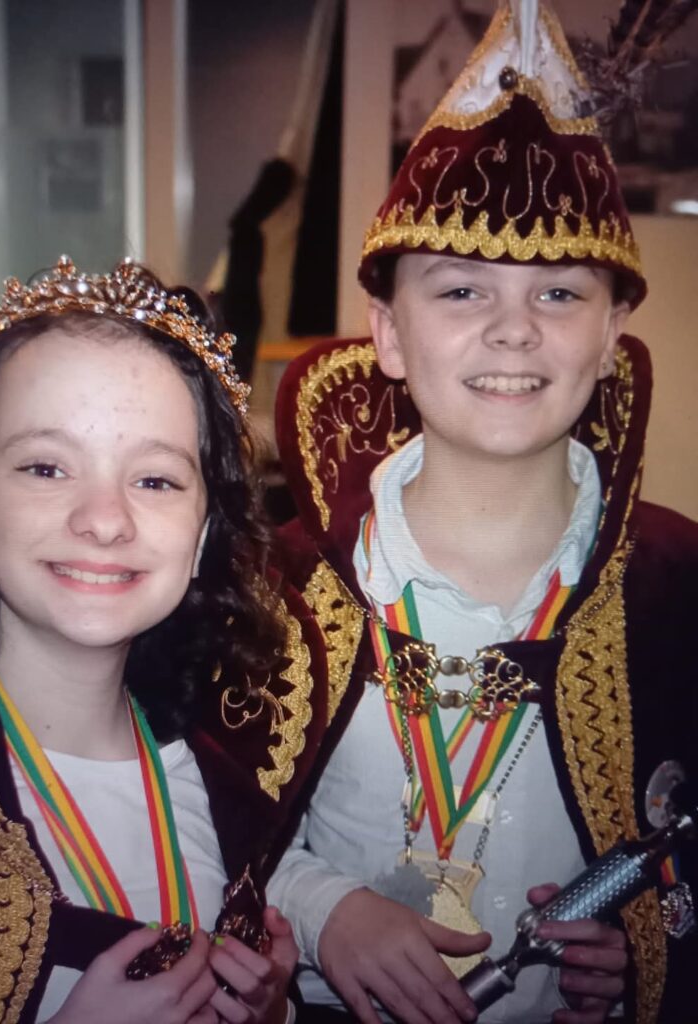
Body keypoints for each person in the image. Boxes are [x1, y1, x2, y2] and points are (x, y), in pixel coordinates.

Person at [268, 3, 698, 1023]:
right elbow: (198, 820)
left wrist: (644, 950)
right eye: (461, 292)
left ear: (613, 333)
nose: (513, 331)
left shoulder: (679, 585)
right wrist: (322, 908)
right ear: (388, 333)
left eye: (560, 295)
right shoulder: (282, 584)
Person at [0, 256, 328, 1024]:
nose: (105, 520)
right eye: (46, 468)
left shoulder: (229, 775)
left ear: (202, 532)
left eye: (155, 480)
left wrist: (271, 1008)